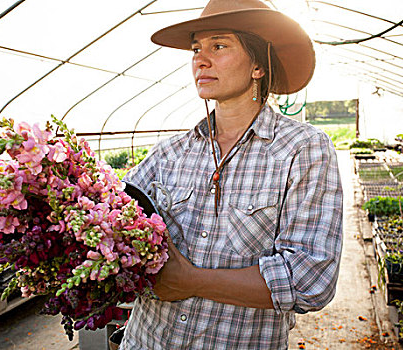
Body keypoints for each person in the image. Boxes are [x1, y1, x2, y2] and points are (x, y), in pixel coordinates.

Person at [120, 0, 343, 348]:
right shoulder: (169, 153)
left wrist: (192, 280)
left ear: (257, 65)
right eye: (196, 48)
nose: (200, 60)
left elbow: (311, 279)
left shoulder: (302, 150)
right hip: (147, 340)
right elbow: (111, 216)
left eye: (218, 45)